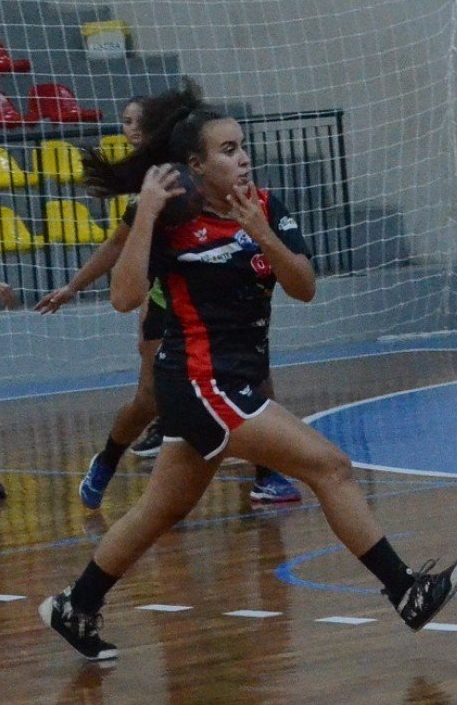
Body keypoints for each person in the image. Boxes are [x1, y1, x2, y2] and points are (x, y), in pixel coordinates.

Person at [41, 93, 457, 662]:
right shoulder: (170, 217)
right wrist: (143, 212)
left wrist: (261, 232)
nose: (243, 159)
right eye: (228, 150)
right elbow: (124, 299)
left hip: (236, 377)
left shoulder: (265, 204)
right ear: (197, 166)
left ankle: (76, 603)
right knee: (331, 467)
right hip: (198, 380)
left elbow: (304, 286)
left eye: (243, 147)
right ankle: (404, 588)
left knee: (161, 509)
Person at [56, 91, 301, 509]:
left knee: (257, 375)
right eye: (125, 121)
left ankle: (268, 473)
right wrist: (74, 286)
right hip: (166, 304)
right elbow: (118, 248)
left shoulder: (233, 191)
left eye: (134, 121)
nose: (128, 128)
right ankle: (108, 459)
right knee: (148, 398)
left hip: (220, 301)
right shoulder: (161, 196)